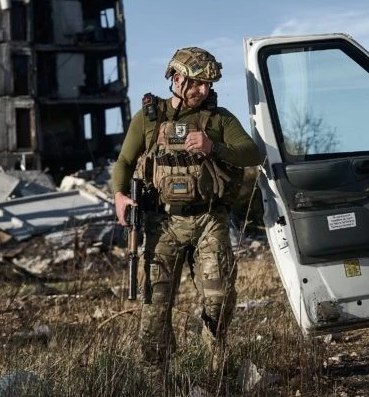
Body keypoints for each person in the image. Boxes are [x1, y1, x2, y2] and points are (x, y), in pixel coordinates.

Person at [111, 46, 261, 365]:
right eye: (197, 84)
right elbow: (124, 160)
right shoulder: (149, 118)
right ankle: (159, 387)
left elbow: (252, 153)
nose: (203, 91)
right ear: (177, 79)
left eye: (208, 85)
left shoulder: (218, 118)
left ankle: (212, 349)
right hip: (161, 223)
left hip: (209, 219)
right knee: (155, 308)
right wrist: (119, 194)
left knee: (220, 297)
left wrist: (213, 147)